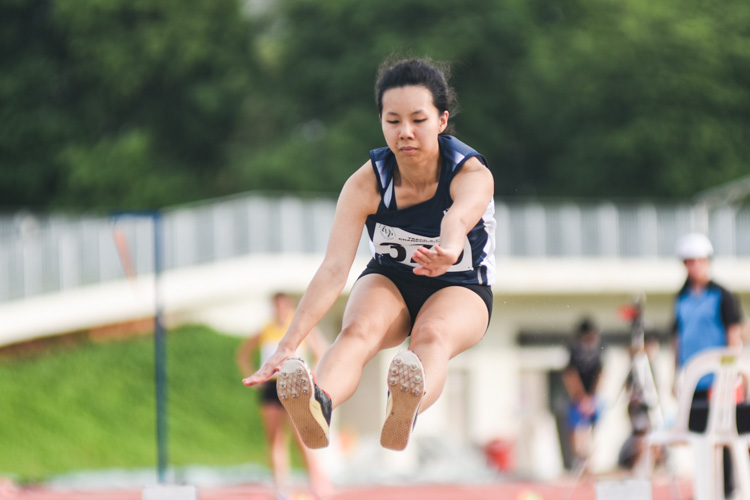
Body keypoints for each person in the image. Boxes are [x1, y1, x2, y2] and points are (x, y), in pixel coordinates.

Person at [242, 57, 496, 452]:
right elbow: (333, 269)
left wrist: (447, 250)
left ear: (442, 121)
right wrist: (289, 345)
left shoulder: (471, 174)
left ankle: (405, 405)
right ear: (381, 122)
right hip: (391, 278)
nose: (405, 133)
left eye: (418, 120)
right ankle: (319, 401)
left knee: (431, 335)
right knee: (358, 329)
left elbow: (457, 219)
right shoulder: (366, 183)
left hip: (460, 285)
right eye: (393, 121)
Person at [236, 292, 331, 500]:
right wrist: (252, 376)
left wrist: (311, 377)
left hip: (295, 387)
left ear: (288, 306)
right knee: (275, 439)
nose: (279, 309)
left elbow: (320, 350)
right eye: (276, 306)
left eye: (283, 305)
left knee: (302, 437)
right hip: (271, 388)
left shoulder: (298, 328)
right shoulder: (266, 329)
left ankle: (316, 483)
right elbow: (243, 354)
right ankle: (281, 488)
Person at [671, 232, 744, 499]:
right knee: (699, 437)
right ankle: (705, 489)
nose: (694, 266)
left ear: (707, 261)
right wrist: (675, 374)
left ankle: (727, 490)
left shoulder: (723, 295)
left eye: (698, 260)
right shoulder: (680, 299)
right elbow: (677, 337)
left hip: (720, 380)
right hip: (694, 382)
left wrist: (734, 374)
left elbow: (733, 335)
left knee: (724, 437)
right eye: (689, 261)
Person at [562, 317, 603, 470]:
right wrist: (580, 397)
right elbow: (570, 375)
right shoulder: (574, 351)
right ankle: (580, 460)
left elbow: (601, 374)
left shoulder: (598, 350)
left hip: (592, 397)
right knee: (577, 429)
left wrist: (592, 397)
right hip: (577, 398)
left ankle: (590, 462)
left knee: (593, 429)